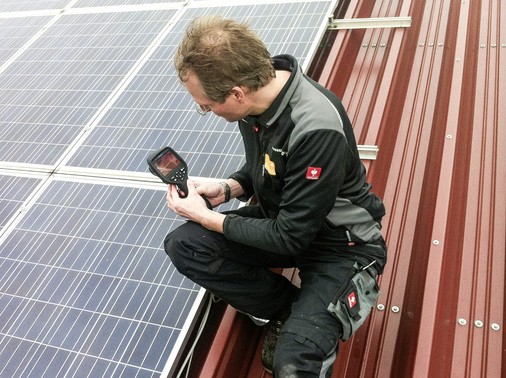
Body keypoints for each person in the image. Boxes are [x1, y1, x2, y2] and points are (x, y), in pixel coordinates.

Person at [164, 15, 387, 377]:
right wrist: (228, 188)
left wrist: (207, 216)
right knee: (185, 245)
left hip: (341, 246)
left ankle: (308, 323)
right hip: (287, 220)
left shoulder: (314, 126)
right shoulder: (256, 103)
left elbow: (289, 237)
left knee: (294, 362)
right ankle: (289, 309)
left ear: (236, 93)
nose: (206, 111)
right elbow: (269, 165)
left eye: (206, 105)